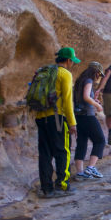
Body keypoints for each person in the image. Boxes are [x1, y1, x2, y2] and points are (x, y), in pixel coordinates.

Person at [35, 47, 79, 197]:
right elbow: (67, 101)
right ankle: (62, 184)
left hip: (41, 116)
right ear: (68, 60)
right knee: (62, 151)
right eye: (72, 61)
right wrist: (72, 123)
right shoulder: (65, 74)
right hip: (57, 118)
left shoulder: (45, 72)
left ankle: (47, 188)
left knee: (45, 153)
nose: (72, 63)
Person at [73, 61, 106, 179]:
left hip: (78, 116)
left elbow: (80, 99)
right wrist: (98, 106)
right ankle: (91, 168)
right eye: (99, 74)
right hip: (88, 115)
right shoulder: (88, 81)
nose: (99, 77)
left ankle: (80, 173)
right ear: (95, 72)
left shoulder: (78, 81)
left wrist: (94, 101)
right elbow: (86, 97)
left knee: (82, 143)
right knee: (100, 140)